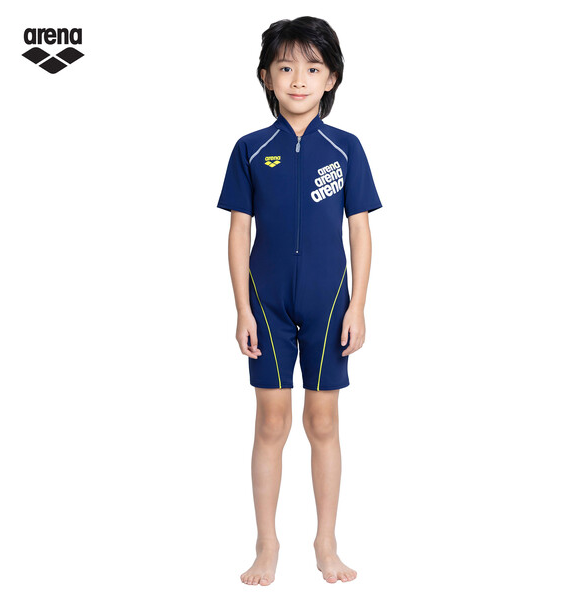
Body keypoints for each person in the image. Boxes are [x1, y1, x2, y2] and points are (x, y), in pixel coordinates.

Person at [217, 16, 382, 585]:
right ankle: (267, 544)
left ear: (331, 78)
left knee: (323, 421)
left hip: (329, 304)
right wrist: (242, 309)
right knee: (271, 422)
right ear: (266, 76)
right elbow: (238, 232)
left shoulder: (346, 148)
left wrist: (358, 306)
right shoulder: (250, 149)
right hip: (266, 306)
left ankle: (325, 543)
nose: (298, 80)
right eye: (285, 67)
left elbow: (360, 230)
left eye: (312, 68)